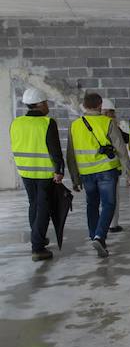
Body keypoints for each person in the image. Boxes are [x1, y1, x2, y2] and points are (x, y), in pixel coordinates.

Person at [67, 93, 130, 257]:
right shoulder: (107, 122)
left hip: (86, 173)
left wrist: (74, 178)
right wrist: (128, 172)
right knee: (109, 204)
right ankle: (99, 236)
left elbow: (70, 154)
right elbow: (121, 149)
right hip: (106, 171)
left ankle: (93, 235)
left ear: (84, 105)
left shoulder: (74, 125)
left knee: (92, 204)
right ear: (100, 105)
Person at [9, 88, 65, 261]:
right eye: (46, 102)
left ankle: (37, 237)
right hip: (43, 172)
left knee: (34, 204)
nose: (48, 106)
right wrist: (59, 170)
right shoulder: (47, 123)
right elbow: (54, 149)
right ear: (40, 104)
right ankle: (37, 248)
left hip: (25, 171)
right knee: (43, 208)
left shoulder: (16, 122)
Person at [102, 98, 128, 232]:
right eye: (112, 113)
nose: (114, 116)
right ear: (105, 113)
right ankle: (112, 225)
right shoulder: (111, 126)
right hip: (110, 168)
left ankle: (99, 227)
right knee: (112, 198)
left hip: (90, 170)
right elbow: (125, 140)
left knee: (95, 201)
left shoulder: (83, 124)